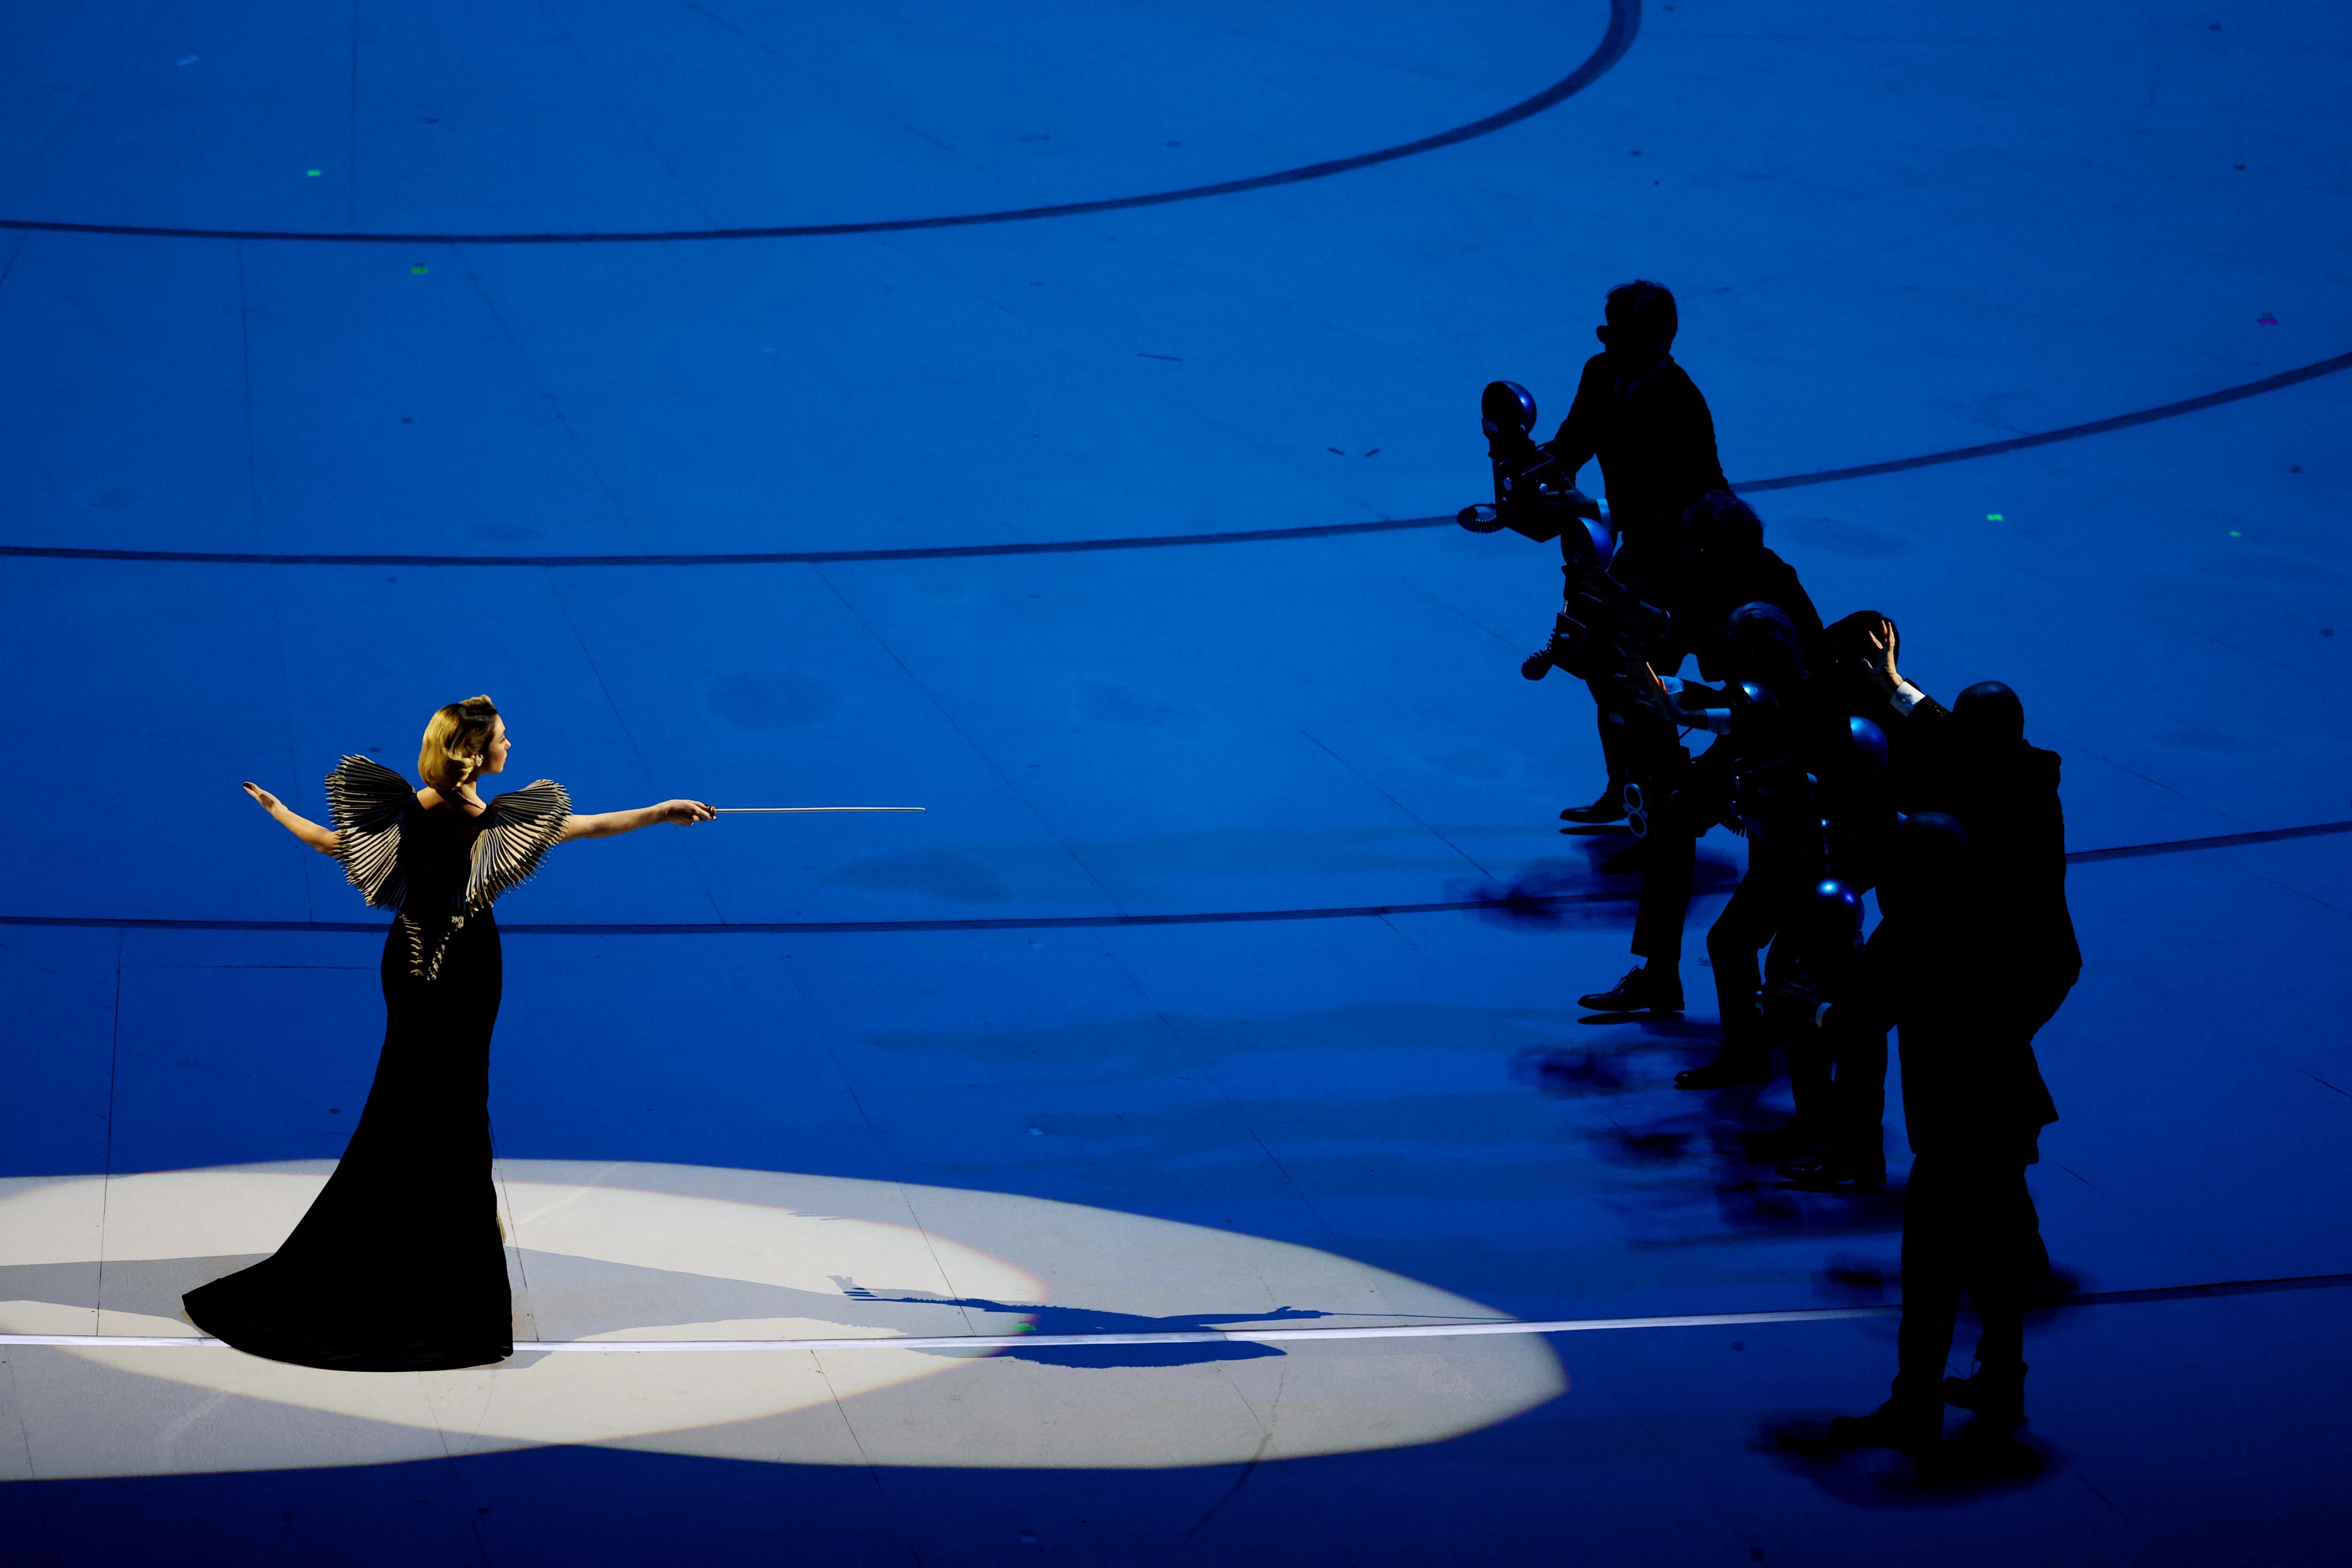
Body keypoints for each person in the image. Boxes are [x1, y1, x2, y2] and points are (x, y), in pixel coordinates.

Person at [183, 695, 716, 1371]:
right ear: (475, 751)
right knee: (458, 1105)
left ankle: (419, 1225)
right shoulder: (496, 824)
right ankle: (451, 1245)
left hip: (407, 967)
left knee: (408, 1100)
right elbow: (591, 826)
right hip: (466, 969)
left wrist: (278, 809)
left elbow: (325, 842)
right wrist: (660, 813)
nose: (511, 747)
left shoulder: (406, 815)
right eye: (503, 738)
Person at [1821, 814, 2062, 1453]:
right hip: (2009, 1107)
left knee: (1930, 1272)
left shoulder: (1915, 930)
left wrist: (1823, 995)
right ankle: (2002, 1384)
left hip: (1958, 1122)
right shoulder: (1989, 912)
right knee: (1995, 1259)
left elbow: (1871, 1009)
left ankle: (1915, 1404)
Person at [1546, 281, 1732, 823]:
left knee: (1646, 684)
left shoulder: (1679, 400)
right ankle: (1623, 789)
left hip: (1686, 554)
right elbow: (1573, 441)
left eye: (1619, 336)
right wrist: (1534, 474)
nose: (1606, 343)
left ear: (1655, 341)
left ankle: (1660, 811)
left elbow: (1678, 496)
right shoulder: (1602, 373)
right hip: (1636, 545)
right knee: (1606, 672)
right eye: (1605, 331)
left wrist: (1598, 504)